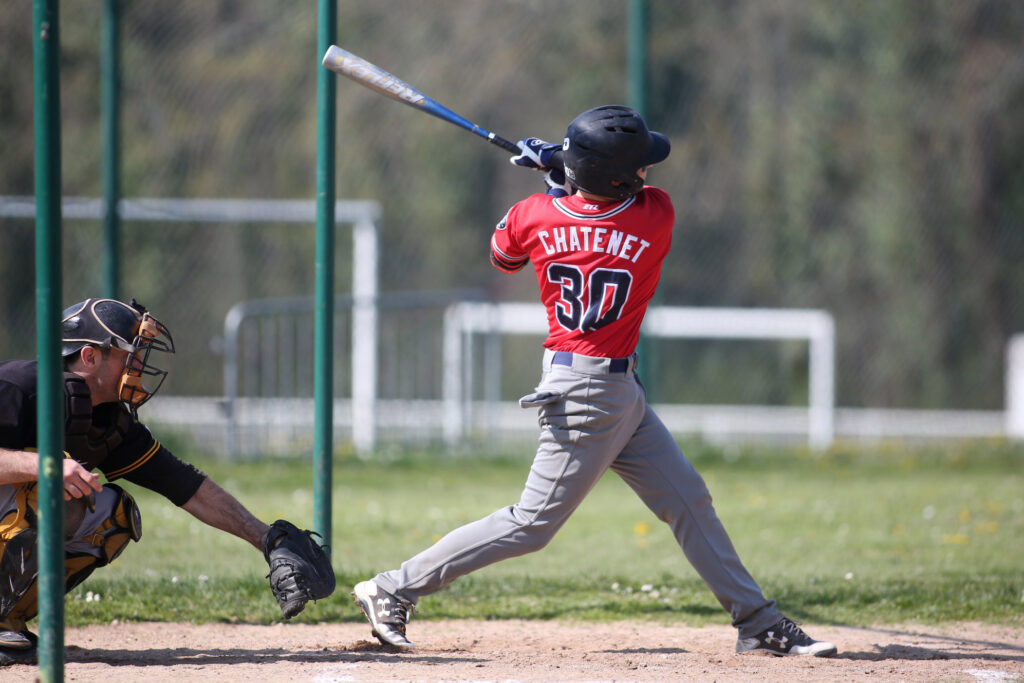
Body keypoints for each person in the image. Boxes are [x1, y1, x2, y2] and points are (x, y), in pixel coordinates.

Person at [352, 105, 837, 657]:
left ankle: (757, 621)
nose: (649, 173)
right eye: (638, 168)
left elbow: (503, 255)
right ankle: (393, 587)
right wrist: (562, 169)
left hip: (608, 389)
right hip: (588, 396)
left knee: (687, 499)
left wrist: (556, 177)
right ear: (621, 179)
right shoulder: (657, 215)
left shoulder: (533, 215)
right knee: (531, 523)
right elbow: (614, 199)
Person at [0, 298, 332, 666]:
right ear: (90, 357)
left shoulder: (104, 419)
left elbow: (186, 486)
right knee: (46, 487)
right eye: (131, 354)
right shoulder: (18, 388)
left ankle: (5, 621)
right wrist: (40, 465)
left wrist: (268, 539)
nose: (140, 365)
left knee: (112, 515)